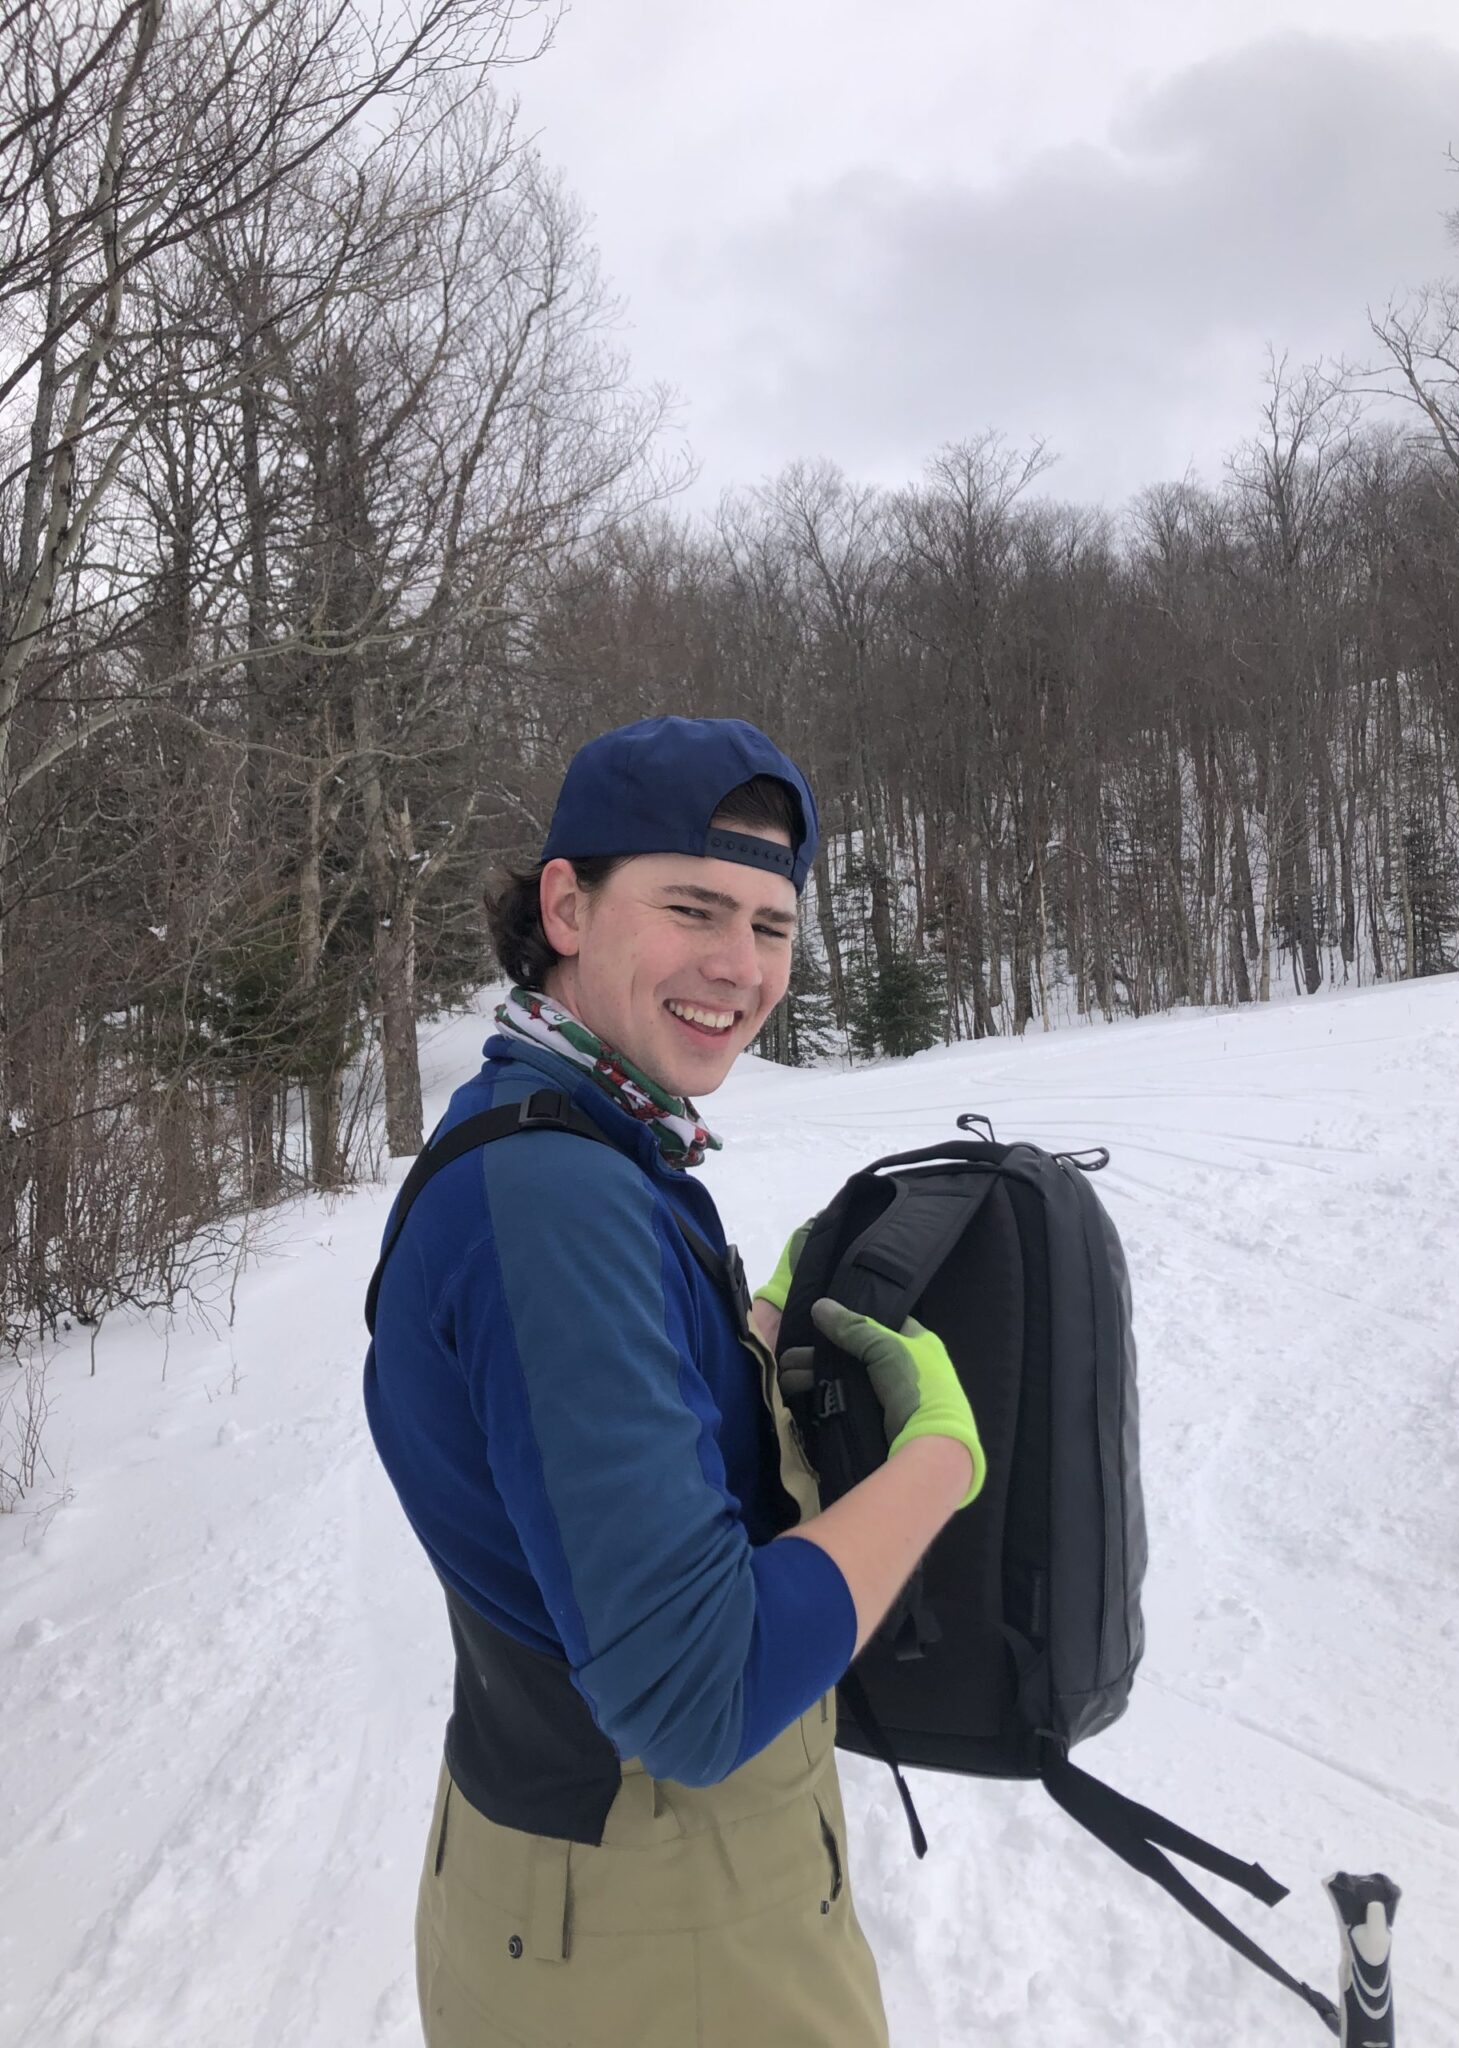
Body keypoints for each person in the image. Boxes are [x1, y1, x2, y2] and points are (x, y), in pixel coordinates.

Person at [364, 715, 985, 2047]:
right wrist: (941, 1461)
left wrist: (748, 1330)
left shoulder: (573, 1130)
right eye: (693, 908)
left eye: (770, 925)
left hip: (574, 1884)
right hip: (656, 1950)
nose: (737, 967)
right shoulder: (556, 1198)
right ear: (567, 905)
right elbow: (698, 1696)